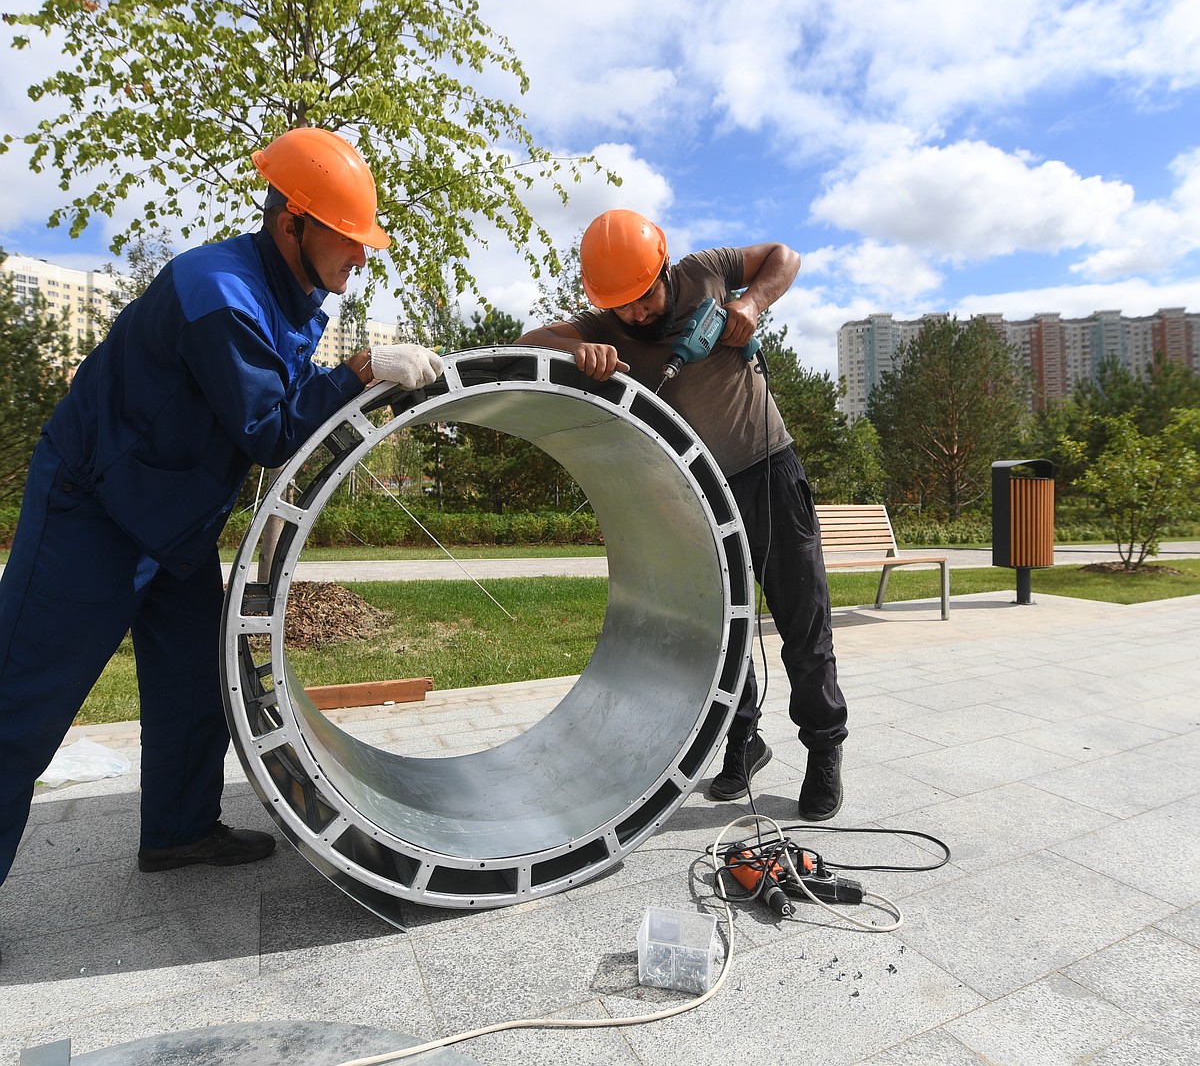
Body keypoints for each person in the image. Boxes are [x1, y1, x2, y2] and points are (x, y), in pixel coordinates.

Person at [0, 127, 443, 887]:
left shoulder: (291, 292)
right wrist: (363, 370)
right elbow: (270, 426)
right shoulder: (221, 294)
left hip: (171, 520)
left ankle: (178, 832)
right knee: (23, 698)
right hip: (95, 510)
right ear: (290, 226)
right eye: (348, 239)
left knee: (197, 678)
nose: (362, 257)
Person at [516, 209, 847, 820]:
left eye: (644, 297)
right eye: (622, 307)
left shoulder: (706, 272)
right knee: (723, 633)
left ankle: (825, 750)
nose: (638, 315)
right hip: (696, 494)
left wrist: (751, 304)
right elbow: (527, 343)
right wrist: (579, 346)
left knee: (803, 624)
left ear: (663, 268)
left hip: (768, 470)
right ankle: (742, 743)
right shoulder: (605, 324)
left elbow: (784, 253)